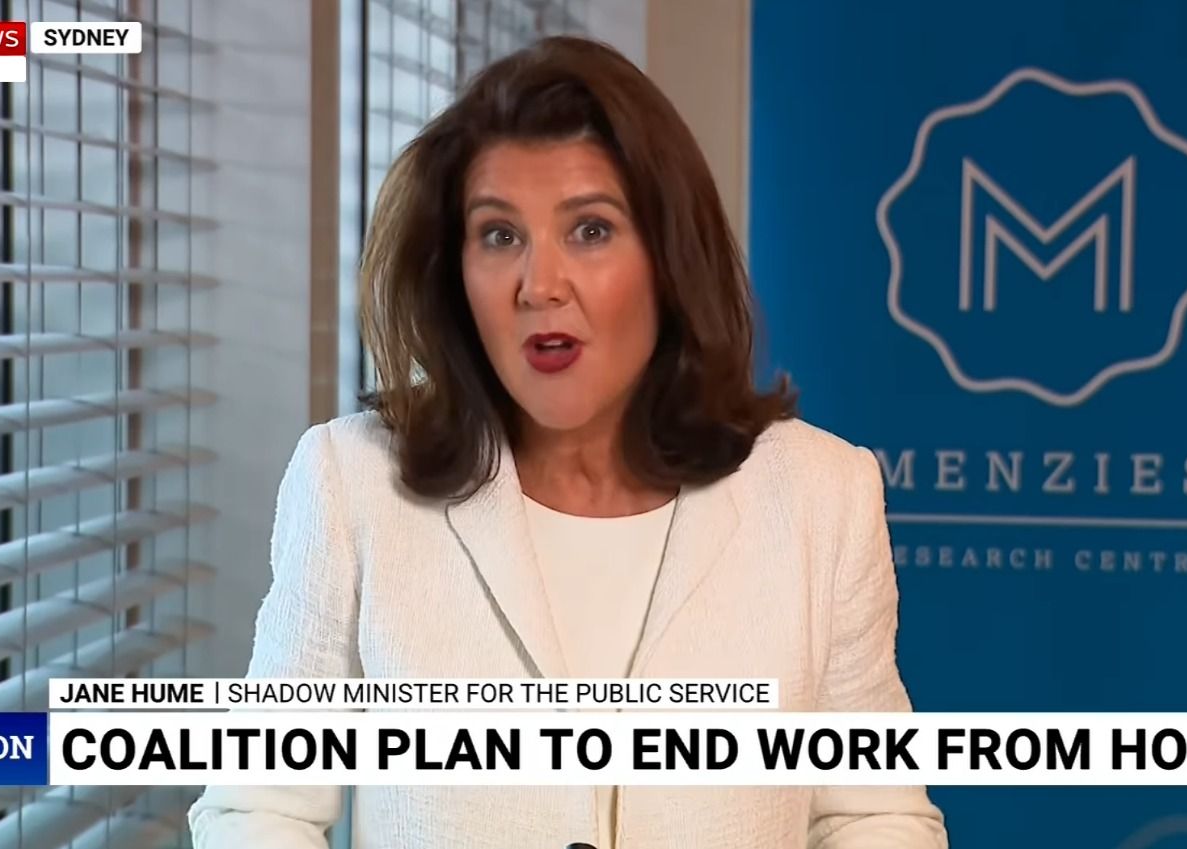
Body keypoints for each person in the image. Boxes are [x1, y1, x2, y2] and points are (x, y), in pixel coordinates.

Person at [189, 35, 947, 849]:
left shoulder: (821, 494)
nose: (539, 284)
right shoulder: (352, 482)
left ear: (668, 257)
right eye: (499, 235)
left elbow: (872, 811)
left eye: (589, 229)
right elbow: (256, 807)